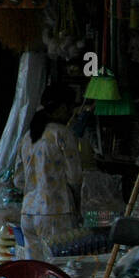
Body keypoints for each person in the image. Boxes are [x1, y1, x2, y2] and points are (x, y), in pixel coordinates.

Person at [14, 82, 83, 259]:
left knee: (35, 271)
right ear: (60, 107)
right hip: (55, 213)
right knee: (57, 269)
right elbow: (75, 177)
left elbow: (18, 180)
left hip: (28, 212)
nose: (70, 113)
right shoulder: (63, 134)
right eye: (69, 108)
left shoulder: (28, 136)